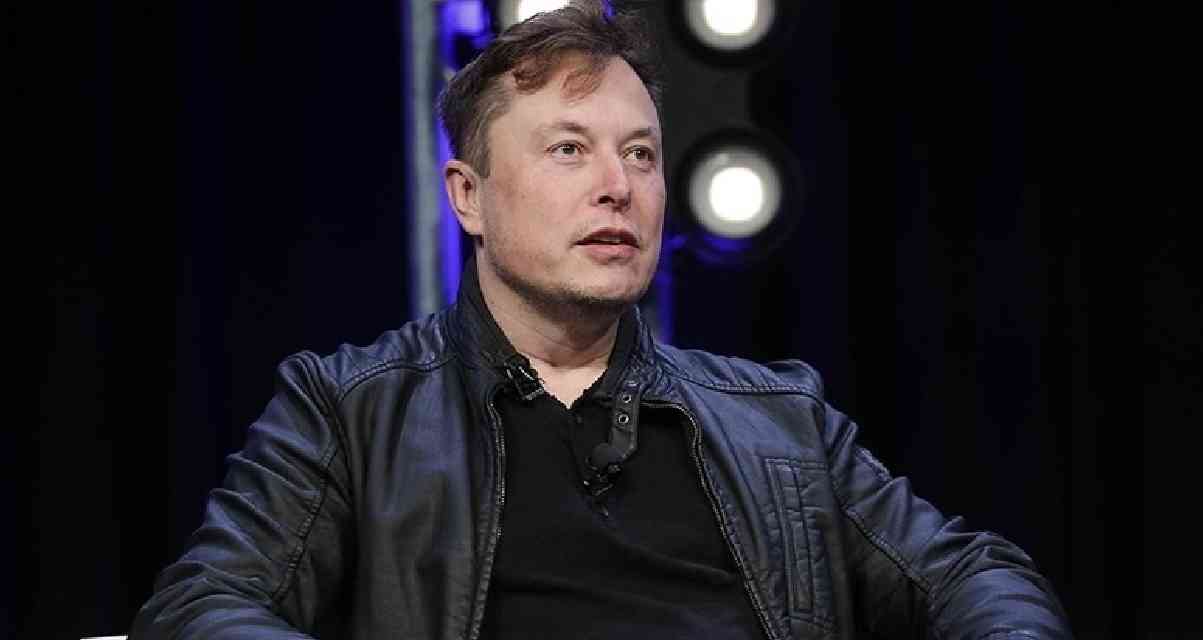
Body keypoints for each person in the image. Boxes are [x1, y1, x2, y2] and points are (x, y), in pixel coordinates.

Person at [130, 2, 1072, 638]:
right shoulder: (350, 409)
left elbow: (969, 575)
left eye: (642, 154)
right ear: (468, 195)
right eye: (569, 150)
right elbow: (206, 602)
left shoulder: (779, 419)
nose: (619, 186)